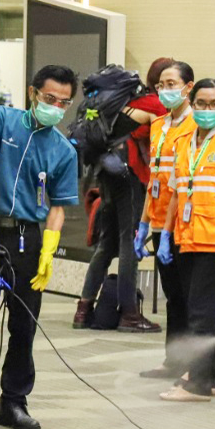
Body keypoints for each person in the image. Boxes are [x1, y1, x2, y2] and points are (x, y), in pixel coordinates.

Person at [0, 65, 80, 429]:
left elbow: (58, 207)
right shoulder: (2, 120)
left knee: (24, 325)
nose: (55, 107)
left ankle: (14, 401)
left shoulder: (64, 151)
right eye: (49, 98)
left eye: (63, 102)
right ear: (33, 93)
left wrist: (49, 251)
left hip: (29, 240)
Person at [152, 79, 215, 402]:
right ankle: (211, 378)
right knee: (199, 309)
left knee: (200, 312)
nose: (207, 109)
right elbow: (176, 192)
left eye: (214, 104)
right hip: (185, 236)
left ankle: (198, 384)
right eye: (202, 103)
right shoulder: (182, 141)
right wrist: (166, 234)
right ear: (193, 103)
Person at [72, 61, 167, 333]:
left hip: (107, 174)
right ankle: (129, 314)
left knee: (107, 243)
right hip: (130, 176)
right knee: (130, 242)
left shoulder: (118, 102)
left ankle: (83, 309)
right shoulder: (152, 104)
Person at [136, 60, 198, 375]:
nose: (164, 90)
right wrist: (144, 223)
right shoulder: (159, 125)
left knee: (188, 297)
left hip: (185, 225)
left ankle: (193, 366)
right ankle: (173, 361)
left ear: (188, 87)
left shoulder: (197, 125)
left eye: (171, 84)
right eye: (161, 85)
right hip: (160, 222)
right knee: (172, 295)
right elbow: (155, 178)